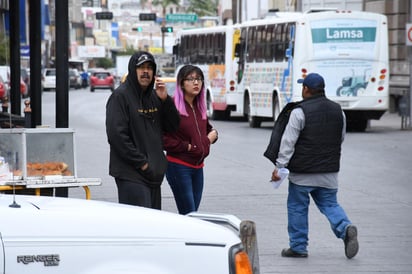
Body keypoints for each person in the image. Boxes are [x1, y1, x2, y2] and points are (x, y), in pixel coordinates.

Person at [264, 73, 359, 259]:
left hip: (302, 173)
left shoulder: (300, 111)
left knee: (297, 207)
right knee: (330, 204)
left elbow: (288, 143)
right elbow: (340, 138)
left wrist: (280, 166)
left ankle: (298, 247)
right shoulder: (338, 110)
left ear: (306, 89)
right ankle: (345, 227)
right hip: (329, 172)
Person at [105, 51, 180, 209]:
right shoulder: (120, 97)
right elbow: (117, 136)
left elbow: (173, 127)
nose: (146, 71)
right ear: (133, 70)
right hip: (131, 173)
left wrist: (166, 101)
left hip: (153, 176)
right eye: (141, 68)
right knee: (138, 226)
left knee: (152, 227)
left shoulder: (155, 97)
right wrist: (142, 163)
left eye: (149, 68)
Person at [163, 65, 218, 215]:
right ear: (181, 83)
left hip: (198, 167)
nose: (196, 83)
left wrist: (214, 135)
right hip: (179, 167)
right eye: (191, 79)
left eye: (199, 79)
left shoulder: (199, 106)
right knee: (190, 214)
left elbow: (208, 130)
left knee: (192, 214)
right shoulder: (172, 106)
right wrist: (187, 147)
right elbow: (162, 139)